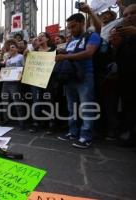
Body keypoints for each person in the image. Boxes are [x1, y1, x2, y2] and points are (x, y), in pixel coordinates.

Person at [55, 13, 101, 149]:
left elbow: (89, 53)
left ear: (82, 23)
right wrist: (63, 55)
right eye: (69, 27)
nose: (71, 30)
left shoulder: (92, 36)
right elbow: (69, 55)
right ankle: (73, 132)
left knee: (86, 107)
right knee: (72, 107)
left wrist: (65, 57)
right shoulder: (71, 40)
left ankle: (86, 136)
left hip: (85, 76)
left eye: (73, 26)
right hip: (70, 77)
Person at [109, 4, 136, 146]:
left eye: (132, 13)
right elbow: (118, 60)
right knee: (127, 107)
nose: (128, 16)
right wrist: (116, 45)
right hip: (126, 79)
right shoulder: (124, 36)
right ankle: (129, 135)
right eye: (125, 15)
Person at [29, 32, 56, 133]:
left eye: (42, 36)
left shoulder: (53, 50)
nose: (40, 37)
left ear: (47, 39)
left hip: (49, 81)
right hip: (36, 80)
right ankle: (36, 123)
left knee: (49, 102)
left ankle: (51, 124)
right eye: (38, 36)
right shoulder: (34, 52)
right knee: (36, 102)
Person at [0, 40, 25, 130]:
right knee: (5, 101)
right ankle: (6, 119)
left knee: (17, 102)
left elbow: (24, 67)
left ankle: (21, 122)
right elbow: (6, 69)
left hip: (15, 83)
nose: (11, 49)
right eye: (10, 48)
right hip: (6, 82)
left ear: (17, 49)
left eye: (13, 47)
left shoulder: (20, 57)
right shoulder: (8, 59)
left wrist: (21, 76)